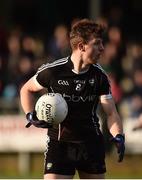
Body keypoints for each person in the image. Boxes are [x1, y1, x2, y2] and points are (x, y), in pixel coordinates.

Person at [20, 19, 125, 179]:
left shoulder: (100, 76)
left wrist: (118, 135)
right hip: (59, 144)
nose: (102, 48)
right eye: (97, 43)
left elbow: (111, 113)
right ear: (82, 46)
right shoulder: (53, 71)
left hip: (90, 144)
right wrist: (30, 114)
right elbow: (26, 89)